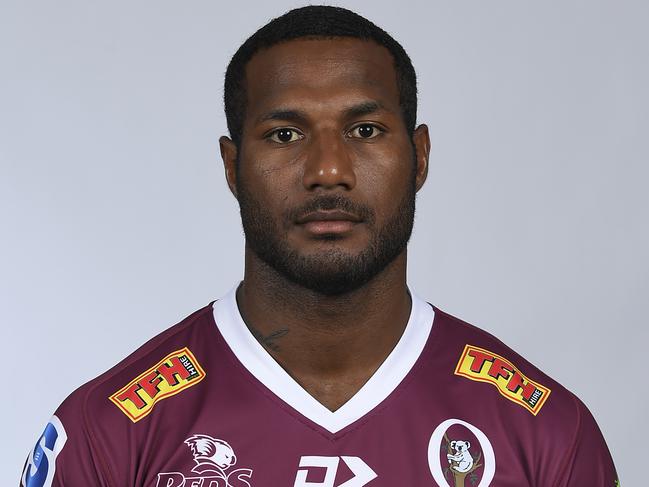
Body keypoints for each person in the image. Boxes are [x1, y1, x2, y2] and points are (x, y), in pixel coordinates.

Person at [20, 6, 618, 486]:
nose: (328, 170)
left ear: (420, 157)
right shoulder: (110, 434)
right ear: (232, 166)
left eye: (365, 131)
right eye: (285, 134)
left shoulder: (544, 434)